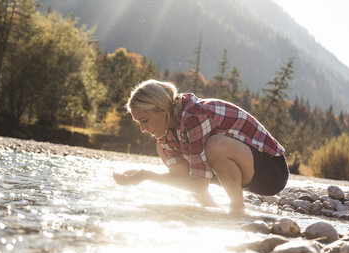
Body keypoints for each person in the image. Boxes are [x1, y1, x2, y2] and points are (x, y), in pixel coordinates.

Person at [113, 79, 289, 215]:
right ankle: (211, 209)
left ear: (162, 111)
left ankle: (237, 209)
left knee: (215, 145)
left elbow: (199, 185)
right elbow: (184, 180)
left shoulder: (194, 117)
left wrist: (146, 175)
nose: (143, 129)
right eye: (139, 123)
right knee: (165, 148)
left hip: (271, 172)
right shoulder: (165, 135)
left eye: (144, 121)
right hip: (242, 170)